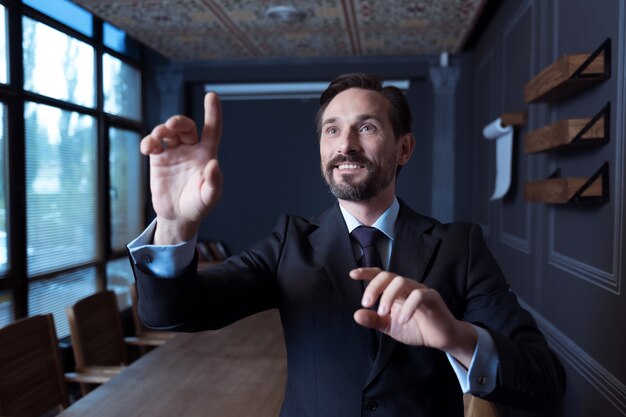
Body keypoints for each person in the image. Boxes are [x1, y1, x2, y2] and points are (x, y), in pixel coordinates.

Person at [128, 73, 565, 416]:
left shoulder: (460, 247)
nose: (346, 146)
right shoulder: (288, 244)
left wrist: (457, 336)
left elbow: (544, 381)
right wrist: (173, 224)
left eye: (367, 127)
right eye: (332, 131)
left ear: (404, 149)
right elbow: (172, 313)